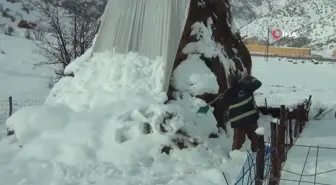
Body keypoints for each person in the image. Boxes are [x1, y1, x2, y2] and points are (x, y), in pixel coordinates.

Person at [221, 74, 262, 152]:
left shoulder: (228, 93)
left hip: (238, 122)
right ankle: (257, 154)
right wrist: (250, 77)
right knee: (255, 139)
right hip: (251, 118)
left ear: (229, 84)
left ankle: (234, 156)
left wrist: (222, 96)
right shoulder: (247, 87)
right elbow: (258, 83)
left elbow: (222, 104)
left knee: (237, 142)